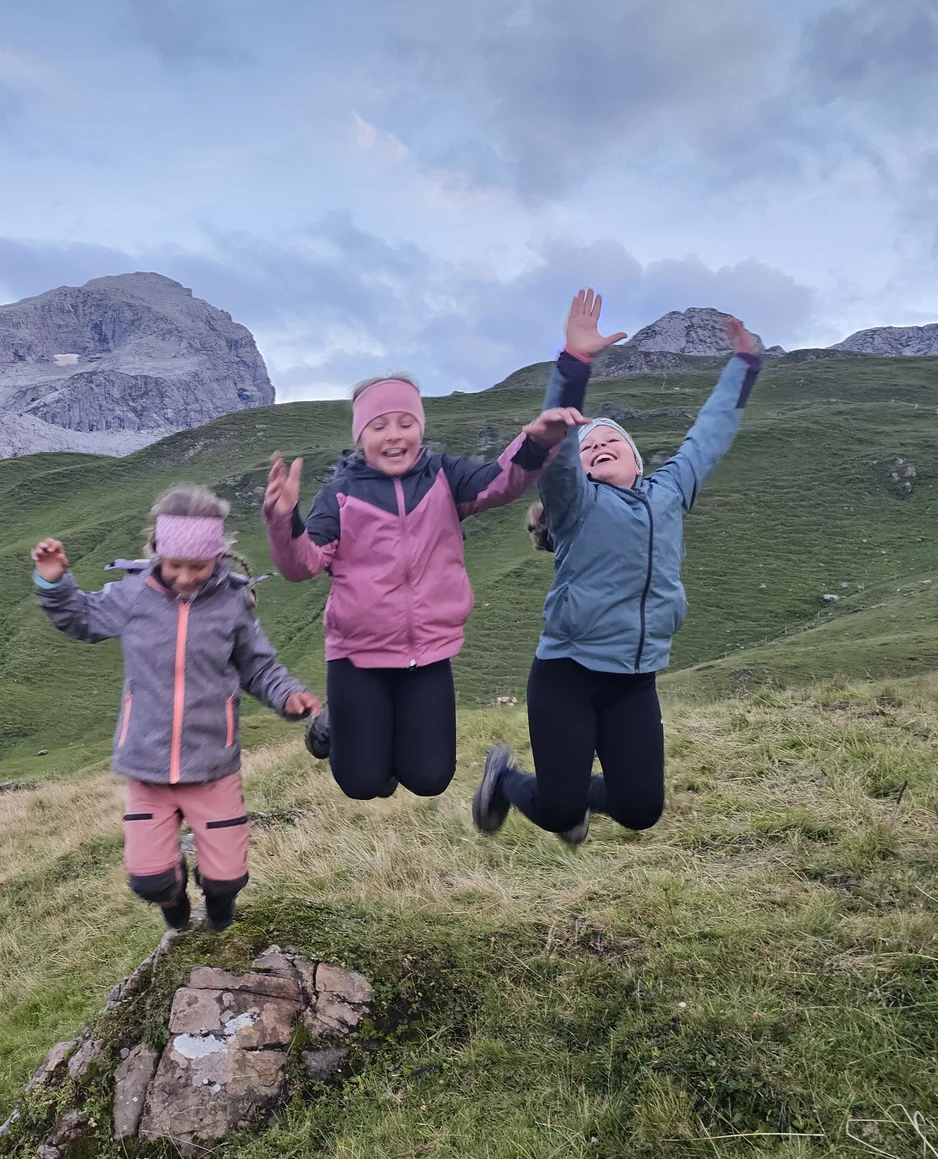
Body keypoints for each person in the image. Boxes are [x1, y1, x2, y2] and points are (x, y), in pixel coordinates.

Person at [260, 290, 617, 801]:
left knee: (429, 779)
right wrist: (282, 517)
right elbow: (302, 565)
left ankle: (367, 728)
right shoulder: (339, 494)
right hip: (357, 656)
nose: (395, 434)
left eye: (406, 423)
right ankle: (339, 724)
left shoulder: (444, 476)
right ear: (361, 436)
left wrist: (543, 429)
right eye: (379, 425)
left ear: (420, 428)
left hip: (426, 653)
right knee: (362, 783)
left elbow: (502, 482)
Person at [472, 310, 765, 844]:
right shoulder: (575, 503)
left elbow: (711, 433)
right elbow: (559, 444)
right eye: (589, 447)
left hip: (633, 681)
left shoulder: (670, 491)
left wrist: (745, 364)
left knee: (640, 808)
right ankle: (507, 780)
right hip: (567, 676)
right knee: (559, 810)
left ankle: (568, 792)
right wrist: (574, 366)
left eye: (613, 442)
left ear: (637, 459)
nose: (599, 446)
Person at [32, 484, 320, 931]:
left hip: (213, 766)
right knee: (149, 880)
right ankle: (175, 909)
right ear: (157, 552)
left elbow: (259, 667)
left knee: (227, 878)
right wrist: (54, 584)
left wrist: (289, 696)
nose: (186, 576)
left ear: (218, 557)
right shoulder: (133, 595)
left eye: (198, 566)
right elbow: (82, 618)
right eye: (175, 565)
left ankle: (220, 910)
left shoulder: (233, 603)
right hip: (147, 765)